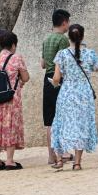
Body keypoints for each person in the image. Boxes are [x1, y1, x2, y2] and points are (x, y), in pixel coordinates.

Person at [50, 24, 98, 170]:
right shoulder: (90, 54)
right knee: (81, 124)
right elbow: (96, 68)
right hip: (84, 93)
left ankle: (59, 160)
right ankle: (77, 163)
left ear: (68, 37)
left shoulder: (62, 54)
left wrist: (54, 82)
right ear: (82, 36)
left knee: (61, 123)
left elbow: (56, 78)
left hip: (67, 93)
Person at [0, 31, 30, 170]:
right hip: (11, 99)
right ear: (13, 45)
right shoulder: (16, 58)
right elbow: (26, 77)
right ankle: (10, 160)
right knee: (10, 126)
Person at [41, 9, 70, 166]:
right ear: (64, 22)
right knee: (62, 118)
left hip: (47, 78)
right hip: (59, 79)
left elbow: (43, 64)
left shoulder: (46, 39)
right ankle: (63, 153)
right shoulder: (63, 40)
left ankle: (51, 156)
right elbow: (64, 62)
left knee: (50, 120)